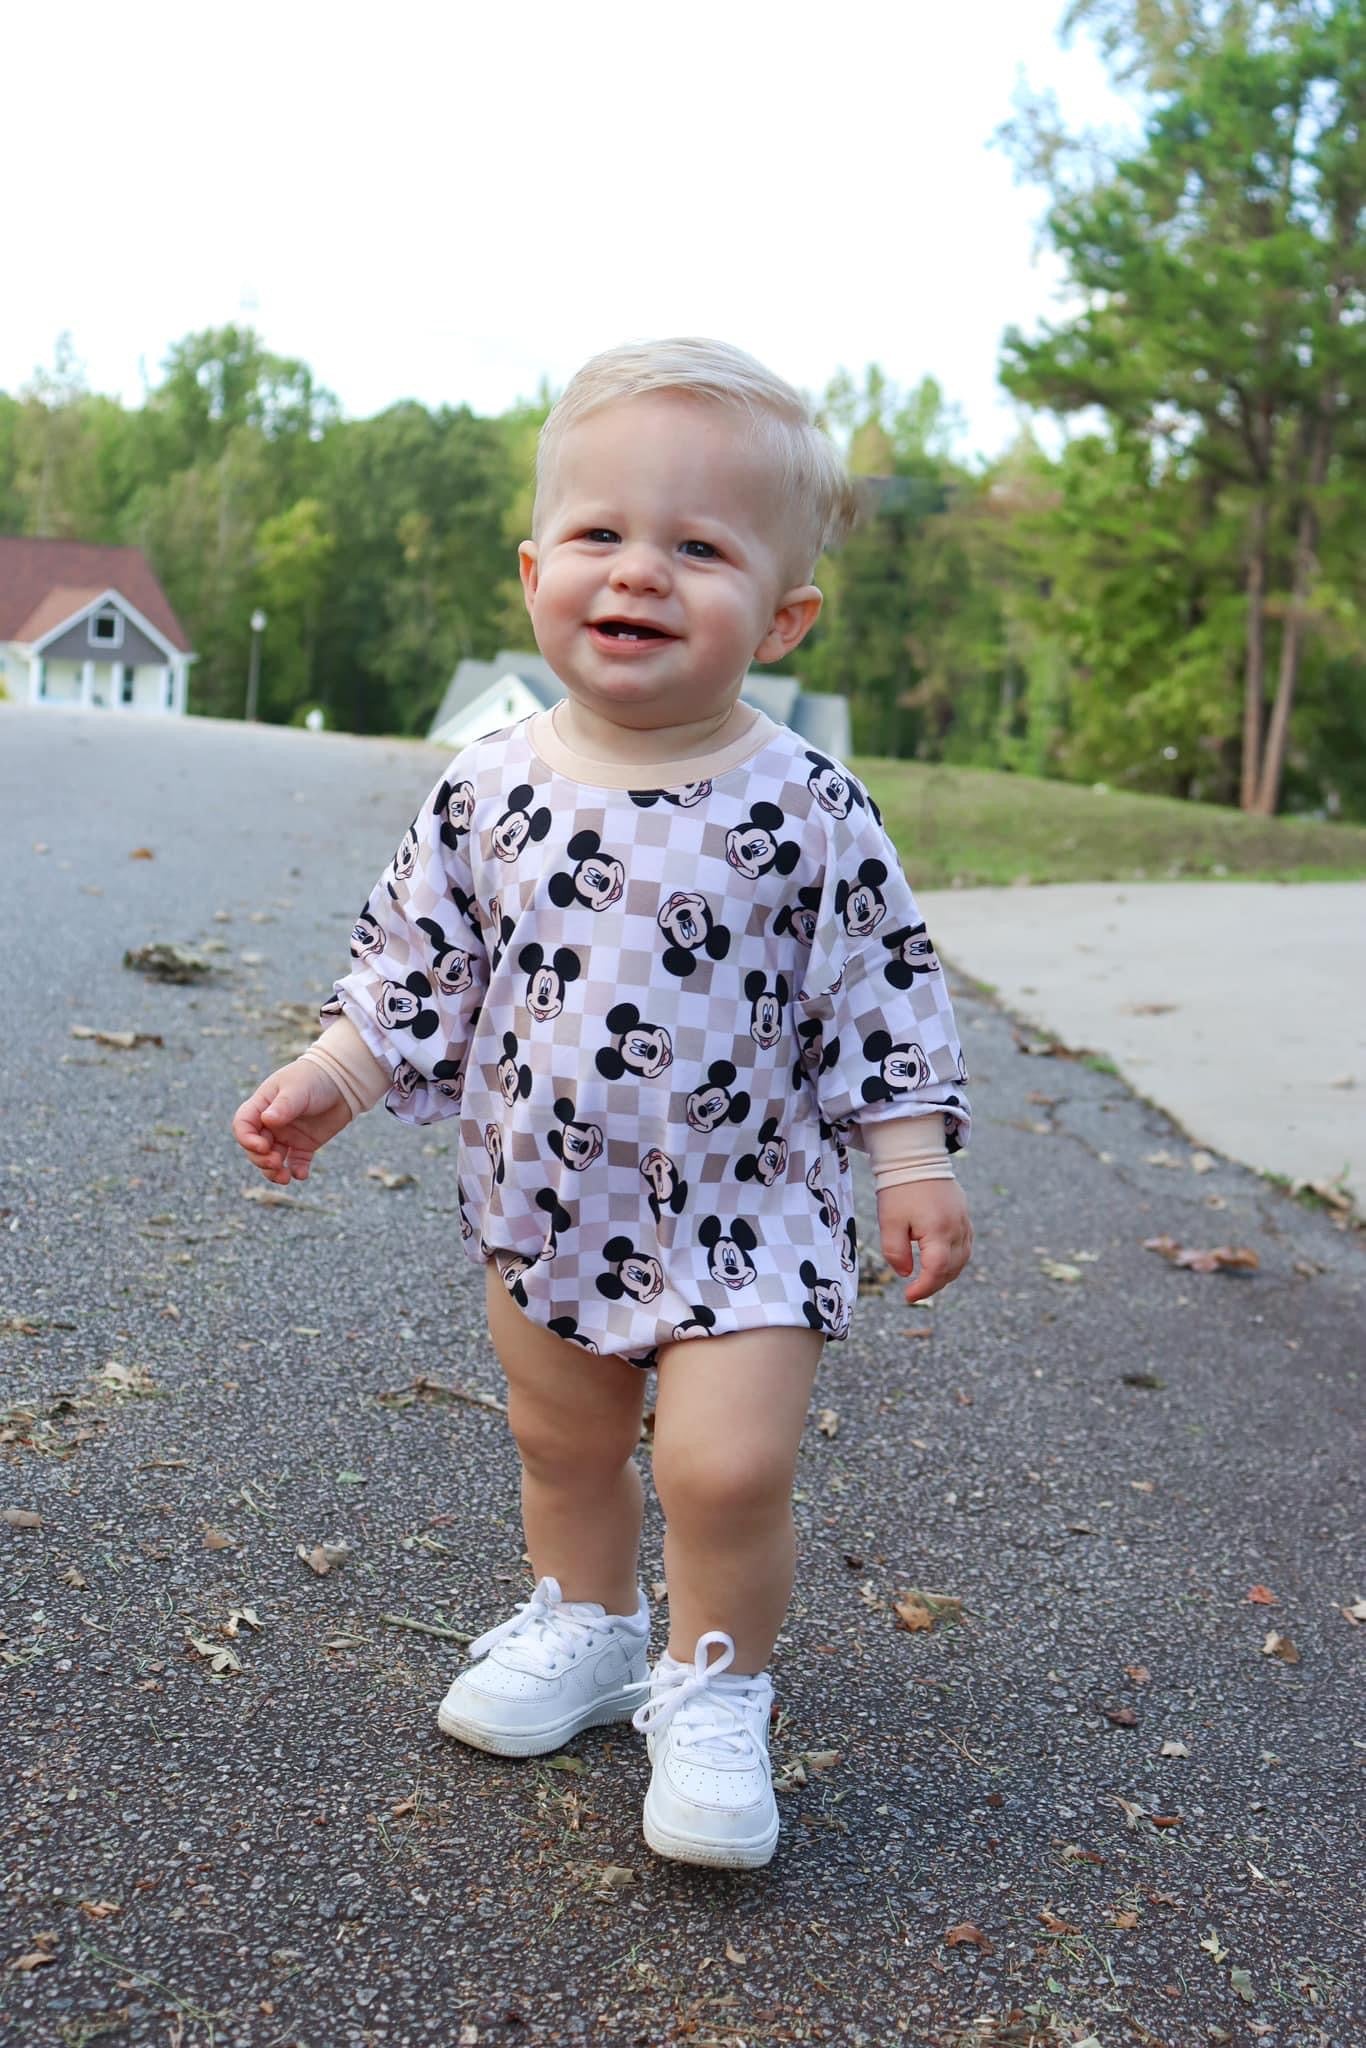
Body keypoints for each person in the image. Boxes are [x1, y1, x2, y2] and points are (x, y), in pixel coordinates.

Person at [232, 338, 973, 1871]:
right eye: (601, 535)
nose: (639, 573)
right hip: (543, 1197)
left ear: (780, 615)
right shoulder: (489, 786)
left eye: (696, 547)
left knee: (722, 1467)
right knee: (561, 1445)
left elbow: (880, 984)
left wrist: (907, 1159)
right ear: (532, 572)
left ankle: (711, 1687)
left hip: (749, 1210)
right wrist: (330, 1076)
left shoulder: (806, 808)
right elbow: (415, 964)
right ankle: (585, 1621)